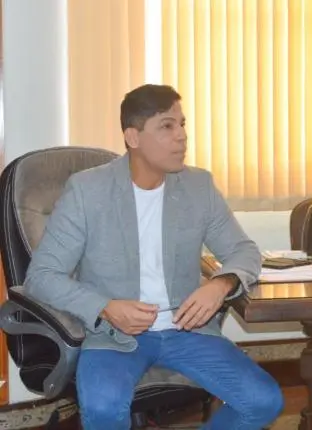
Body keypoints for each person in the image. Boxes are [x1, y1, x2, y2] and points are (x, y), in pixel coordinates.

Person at [25, 84, 283, 430]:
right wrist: (105, 307)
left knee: (264, 401)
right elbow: (42, 275)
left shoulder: (198, 186)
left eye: (182, 124)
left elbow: (244, 250)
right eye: (167, 126)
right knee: (103, 410)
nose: (182, 136)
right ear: (133, 137)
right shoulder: (87, 191)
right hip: (114, 334)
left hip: (187, 331)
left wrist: (221, 283)